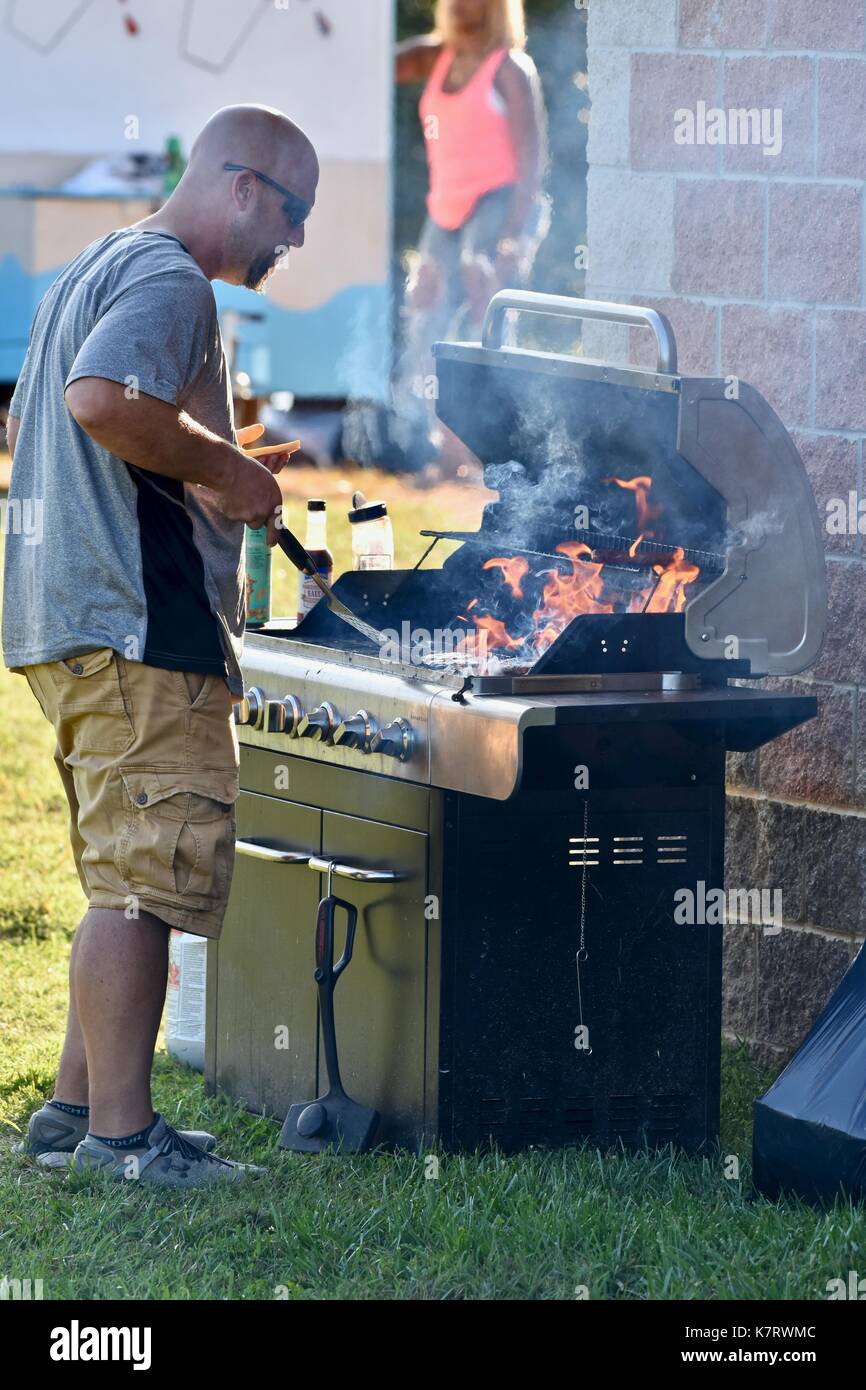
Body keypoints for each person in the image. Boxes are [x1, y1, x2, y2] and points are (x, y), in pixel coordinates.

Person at [3, 104, 319, 1187]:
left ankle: (74, 1112)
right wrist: (229, 475)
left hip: (72, 613)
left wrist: (214, 458)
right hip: (140, 621)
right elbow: (101, 400)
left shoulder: (100, 264)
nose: (298, 237)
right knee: (148, 881)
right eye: (295, 210)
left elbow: (47, 419)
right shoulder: (174, 280)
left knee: (120, 875)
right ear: (242, 185)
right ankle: (126, 1144)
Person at [394, 0, 548, 465]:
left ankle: (496, 450)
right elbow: (368, 67)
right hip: (445, 211)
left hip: (498, 204)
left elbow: (533, 159)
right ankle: (448, 450)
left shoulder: (510, 67)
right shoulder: (433, 56)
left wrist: (513, 240)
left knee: (489, 325)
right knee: (426, 320)